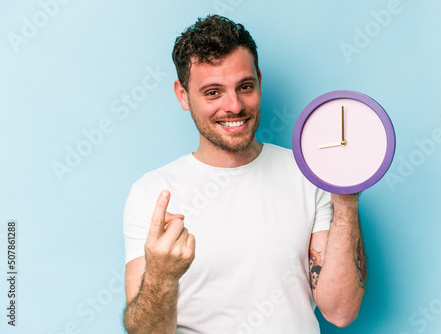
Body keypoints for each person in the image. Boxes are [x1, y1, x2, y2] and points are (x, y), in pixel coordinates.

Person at [122, 14, 366, 334]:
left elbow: (340, 312)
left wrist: (346, 202)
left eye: (245, 87)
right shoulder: (153, 192)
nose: (234, 106)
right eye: (213, 92)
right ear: (183, 95)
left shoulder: (307, 173)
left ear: (259, 83)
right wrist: (161, 277)